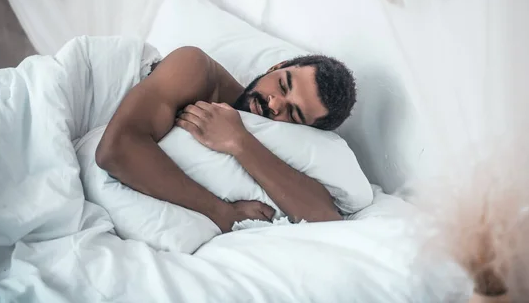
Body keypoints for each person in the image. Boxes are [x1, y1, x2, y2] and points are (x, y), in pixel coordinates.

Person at [95, 46, 357, 233]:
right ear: (276, 68)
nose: (275, 103)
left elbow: (325, 220)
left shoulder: (278, 144)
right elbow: (115, 150)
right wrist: (222, 213)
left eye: (294, 113)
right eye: (283, 85)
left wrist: (239, 142)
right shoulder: (197, 70)